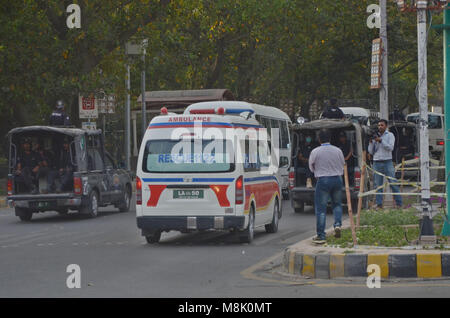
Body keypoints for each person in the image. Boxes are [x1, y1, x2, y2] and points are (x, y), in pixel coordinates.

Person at [309, 129, 345, 244]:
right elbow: (342, 163)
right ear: (330, 138)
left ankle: (321, 235)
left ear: (319, 139)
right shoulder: (338, 150)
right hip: (337, 179)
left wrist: (317, 172)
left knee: (321, 209)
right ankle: (338, 225)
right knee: (337, 204)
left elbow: (311, 166)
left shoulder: (315, 151)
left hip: (323, 180)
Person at [368, 119, 403, 209]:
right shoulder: (375, 136)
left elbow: (390, 147)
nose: (380, 127)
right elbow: (371, 152)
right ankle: (379, 205)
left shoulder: (390, 135)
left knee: (393, 182)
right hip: (376, 162)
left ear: (386, 126)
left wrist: (381, 141)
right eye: (379, 125)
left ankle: (399, 204)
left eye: (382, 125)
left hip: (387, 161)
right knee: (378, 185)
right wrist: (371, 143)